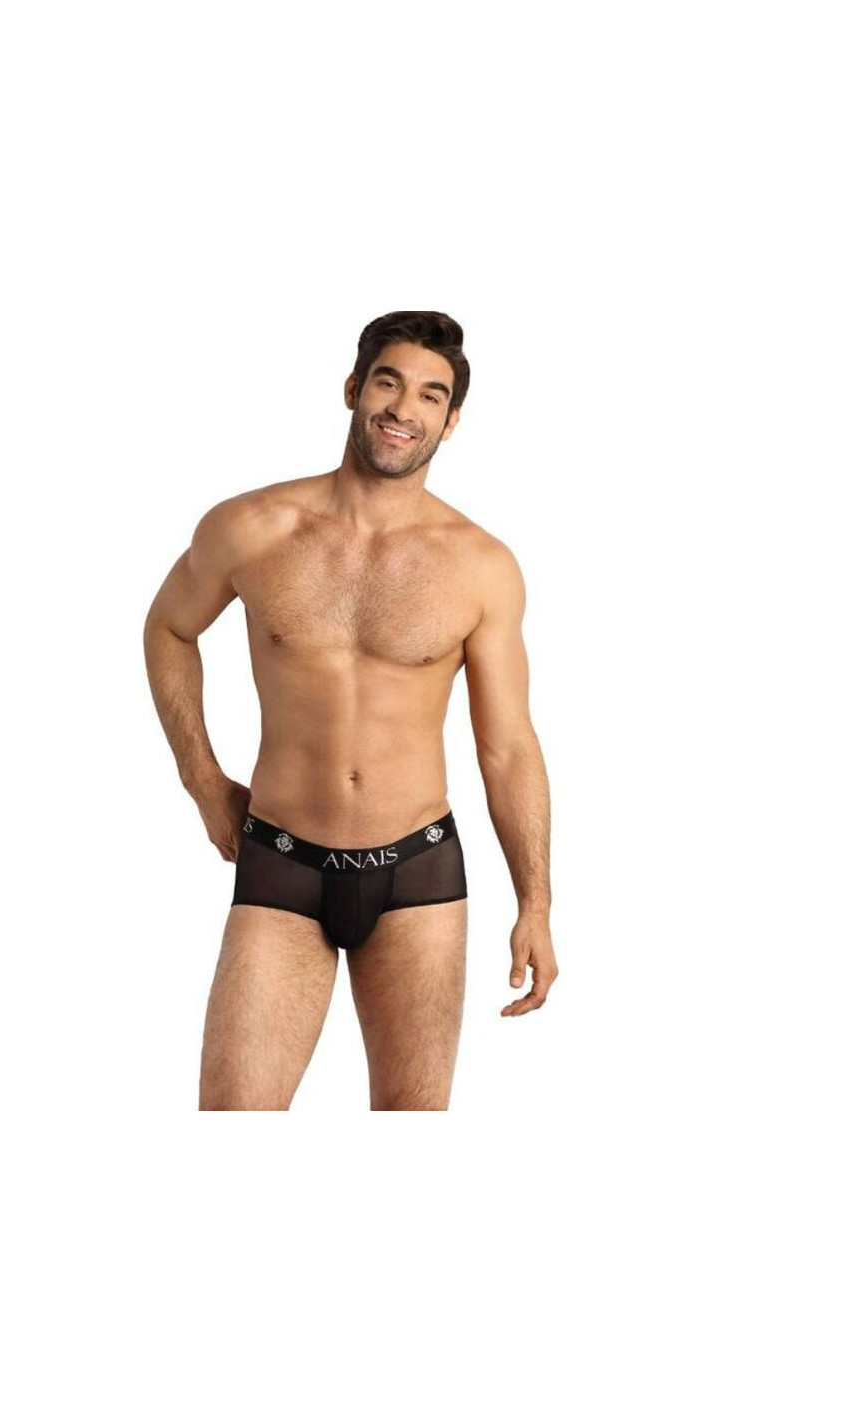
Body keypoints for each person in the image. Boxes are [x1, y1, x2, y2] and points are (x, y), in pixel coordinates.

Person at [143, 311, 558, 1111]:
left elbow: (508, 746)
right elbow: (168, 628)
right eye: (388, 383)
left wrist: (535, 903)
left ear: (452, 420)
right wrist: (202, 779)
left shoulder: (482, 567)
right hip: (281, 861)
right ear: (353, 389)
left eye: (430, 395)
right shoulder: (251, 528)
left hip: (418, 875)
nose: (404, 409)